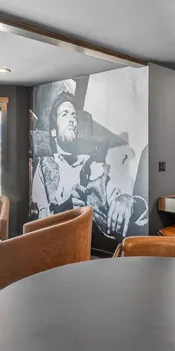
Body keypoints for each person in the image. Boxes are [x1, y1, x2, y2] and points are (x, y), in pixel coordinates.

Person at [31, 91, 148, 242]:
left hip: (103, 244)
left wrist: (127, 200)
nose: (72, 120)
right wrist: (65, 208)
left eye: (74, 116)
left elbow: (118, 200)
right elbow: (38, 221)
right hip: (63, 242)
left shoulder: (95, 167)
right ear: (54, 131)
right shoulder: (44, 167)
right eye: (65, 114)